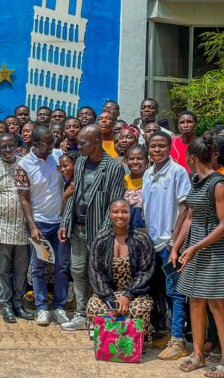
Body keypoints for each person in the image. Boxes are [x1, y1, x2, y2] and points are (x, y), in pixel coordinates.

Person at [170, 137, 224, 378]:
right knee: (195, 301)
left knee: (218, 305)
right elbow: (190, 216)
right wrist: (176, 246)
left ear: (191, 158)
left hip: (216, 251)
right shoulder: (196, 181)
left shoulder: (219, 184)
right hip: (195, 250)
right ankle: (198, 354)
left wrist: (195, 247)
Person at [59, 125, 126, 331]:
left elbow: (115, 204)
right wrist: (65, 222)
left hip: (99, 229)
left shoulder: (113, 167)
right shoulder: (79, 163)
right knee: (77, 270)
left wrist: (105, 233)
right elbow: (74, 194)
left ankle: (99, 316)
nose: (79, 146)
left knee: (99, 273)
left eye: (83, 142)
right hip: (77, 227)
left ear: (97, 142)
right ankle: (80, 313)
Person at [142, 131, 191, 360]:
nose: (158, 150)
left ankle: (179, 340)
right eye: (154, 146)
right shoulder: (148, 173)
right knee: (160, 291)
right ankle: (169, 333)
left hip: (170, 243)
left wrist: (175, 241)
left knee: (176, 292)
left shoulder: (177, 172)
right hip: (152, 243)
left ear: (170, 147)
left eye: (162, 146)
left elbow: (185, 207)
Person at [16, 126, 66, 325]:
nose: (52, 147)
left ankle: (60, 307)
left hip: (60, 224)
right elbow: (24, 198)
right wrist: (33, 226)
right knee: (39, 267)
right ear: (35, 144)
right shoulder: (24, 165)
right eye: (48, 144)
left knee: (62, 267)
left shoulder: (59, 156)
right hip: (40, 224)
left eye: (53, 142)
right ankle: (42, 307)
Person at [0, 133, 30, 323]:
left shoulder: (25, 165)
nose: (8, 149)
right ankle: (6, 306)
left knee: (20, 270)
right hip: (1, 227)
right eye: (4, 147)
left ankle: (18, 304)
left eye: (11, 145)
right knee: (2, 270)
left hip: (22, 228)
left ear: (16, 146)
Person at [87, 199, 155, 330]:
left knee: (139, 310)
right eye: (116, 212)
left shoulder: (141, 239)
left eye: (125, 212)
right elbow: (96, 273)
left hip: (136, 293)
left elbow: (146, 273)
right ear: (109, 214)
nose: (120, 216)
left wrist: (127, 296)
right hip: (108, 293)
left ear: (130, 214)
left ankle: (134, 342)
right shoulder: (101, 239)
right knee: (93, 307)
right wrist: (110, 299)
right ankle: (108, 343)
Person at [124, 145, 148, 230]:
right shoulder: (123, 180)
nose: (135, 162)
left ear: (147, 161)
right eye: (131, 159)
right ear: (127, 161)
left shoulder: (151, 180)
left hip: (145, 230)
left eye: (140, 158)